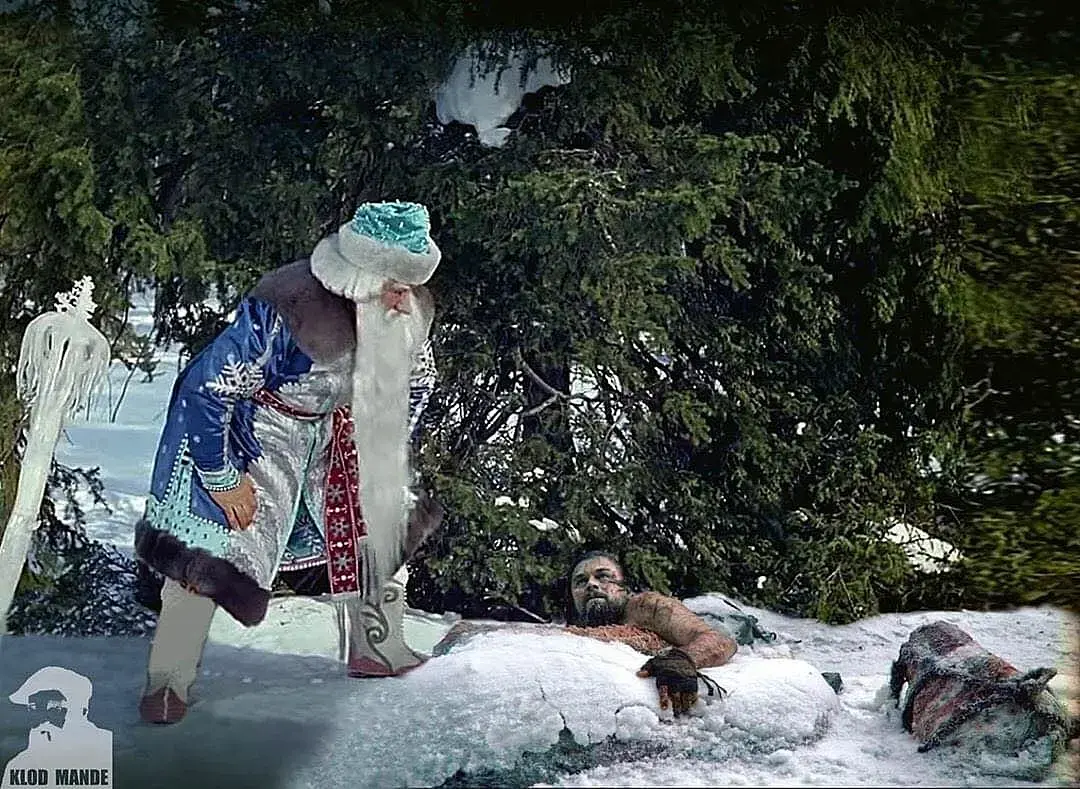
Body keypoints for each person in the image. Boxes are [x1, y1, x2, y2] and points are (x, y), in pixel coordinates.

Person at [133, 201, 446, 724]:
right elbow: (208, 389)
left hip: (336, 432)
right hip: (256, 430)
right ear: (358, 278)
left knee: (381, 527)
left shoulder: (406, 310)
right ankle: (168, 681)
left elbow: (419, 382)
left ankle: (378, 646)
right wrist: (221, 477)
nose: (403, 297)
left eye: (411, 285)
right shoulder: (290, 307)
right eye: (393, 285)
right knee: (209, 550)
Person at [564, 550, 738, 715]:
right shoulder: (575, 628)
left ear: (625, 587)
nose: (591, 584)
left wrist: (681, 659)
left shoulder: (646, 607)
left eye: (603, 576)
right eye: (580, 581)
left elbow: (720, 641)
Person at [2, 667, 113, 788]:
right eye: (33, 707)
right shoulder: (19, 765)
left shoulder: (110, 751)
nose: (42, 719)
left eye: (54, 708)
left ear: (82, 711)